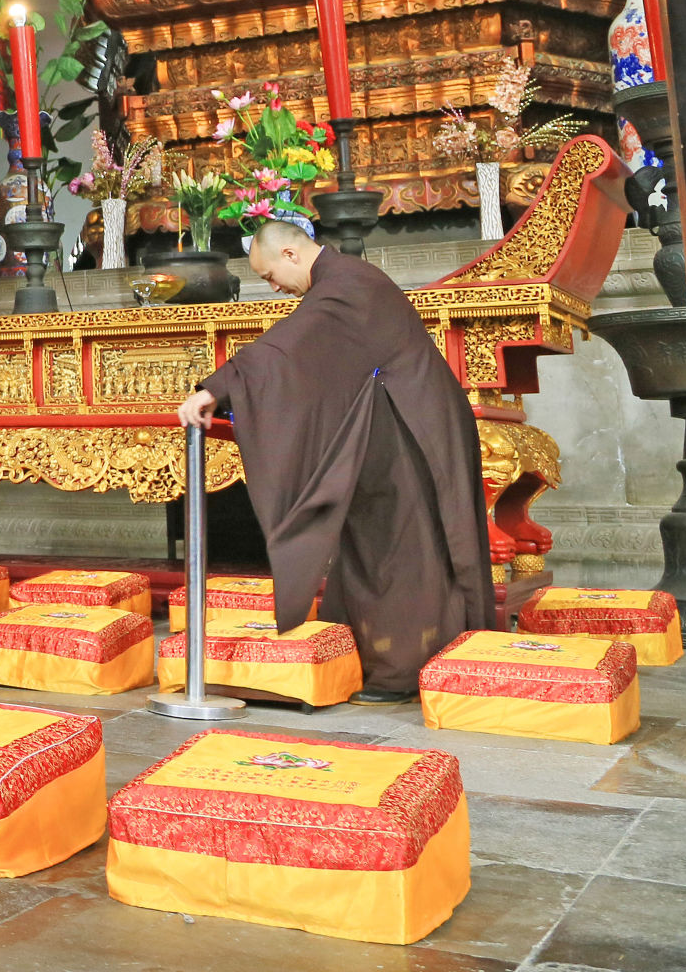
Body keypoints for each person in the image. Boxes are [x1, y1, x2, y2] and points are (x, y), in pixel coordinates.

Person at [175, 220, 493, 701]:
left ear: (291, 254)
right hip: (396, 421)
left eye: (270, 275)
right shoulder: (338, 282)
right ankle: (384, 660)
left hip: (414, 427)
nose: (274, 287)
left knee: (407, 548)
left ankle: (406, 671)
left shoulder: (347, 282)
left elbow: (286, 348)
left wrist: (215, 389)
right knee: (379, 543)